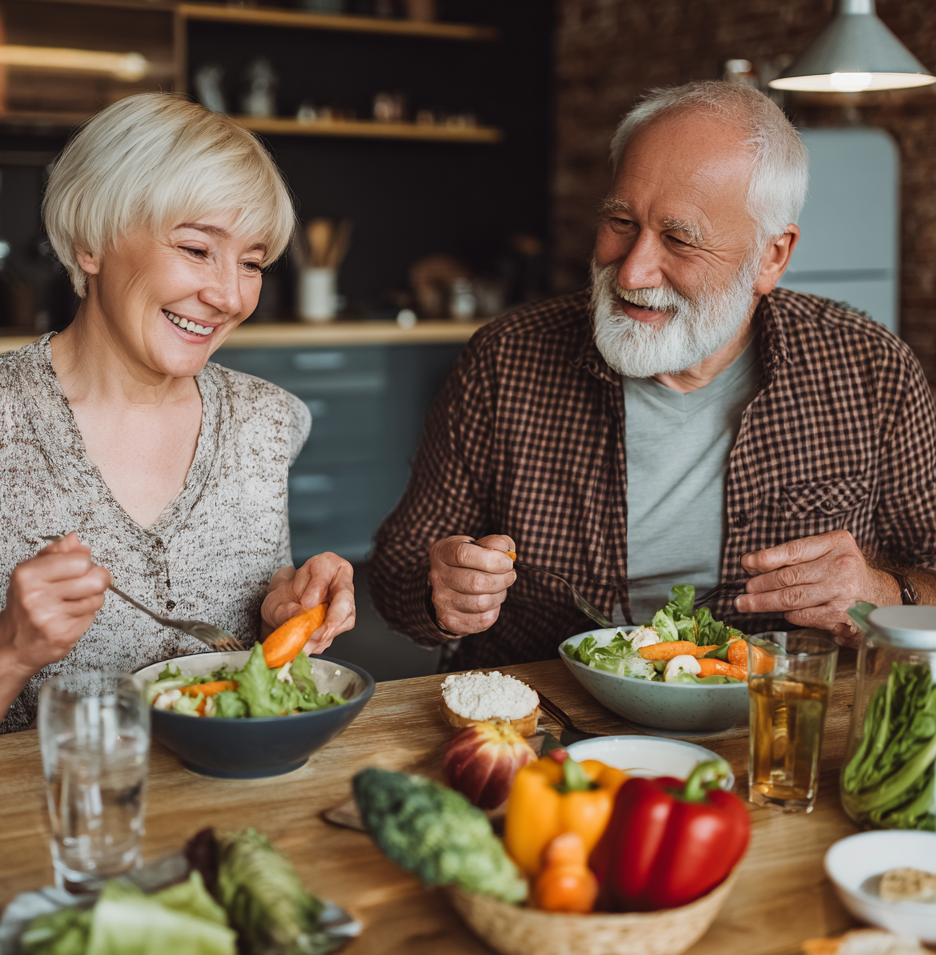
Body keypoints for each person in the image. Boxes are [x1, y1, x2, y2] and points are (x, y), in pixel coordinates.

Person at [368, 80, 936, 670]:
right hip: (545, 705)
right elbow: (396, 568)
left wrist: (882, 593)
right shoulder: (505, 359)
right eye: (620, 221)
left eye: (680, 239)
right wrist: (441, 594)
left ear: (772, 257)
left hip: (775, 708)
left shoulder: (872, 370)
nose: (632, 273)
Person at [0, 94, 355, 733]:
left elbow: (243, 691)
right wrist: (7, 649)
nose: (230, 296)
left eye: (252, 263)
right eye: (197, 249)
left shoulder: (266, 419)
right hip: (56, 797)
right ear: (91, 243)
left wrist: (275, 625)